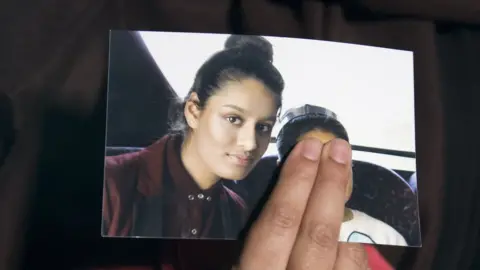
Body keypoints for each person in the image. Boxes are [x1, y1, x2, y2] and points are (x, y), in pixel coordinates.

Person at [102, 34, 285, 239]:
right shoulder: (110, 185)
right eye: (233, 119)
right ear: (194, 111)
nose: (250, 143)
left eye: (263, 127)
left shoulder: (236, 212)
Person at [276, 104, 408, 246]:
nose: (331, 175)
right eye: (314, 162)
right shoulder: (268, 232)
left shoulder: (387, 237)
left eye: (339, 160)